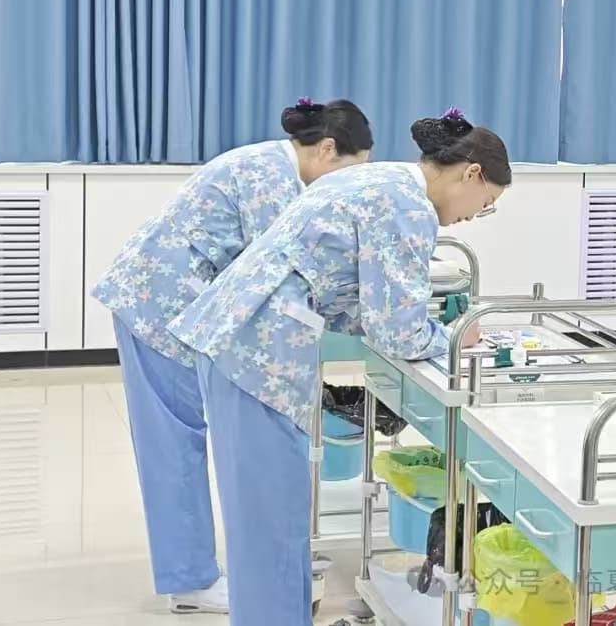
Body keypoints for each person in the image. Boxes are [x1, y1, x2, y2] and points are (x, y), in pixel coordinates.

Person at [165, 108, 509, 626]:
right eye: (484, 206)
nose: (469, 218)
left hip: (242, 339)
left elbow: (354, 292)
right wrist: (457, 337)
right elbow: (398, 333)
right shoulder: (407, 205)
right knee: (273, 518)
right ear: (472, 173)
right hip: (258, 349)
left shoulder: (382, 178)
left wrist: (413, 322)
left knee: (265, 515)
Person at [91, 99, 373, 614]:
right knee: (175, 443)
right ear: (327, 149)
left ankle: (228, 567)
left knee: (179, 439)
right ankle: (192, 580)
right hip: (158, 306)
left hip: (170, 301)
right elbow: (282, 265)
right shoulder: (273, 178)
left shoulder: (271, 164)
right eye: (350, 172)